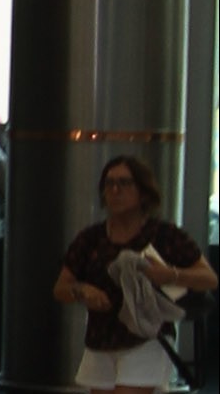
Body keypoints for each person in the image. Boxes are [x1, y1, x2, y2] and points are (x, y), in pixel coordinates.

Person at [54, 154, 217, 393]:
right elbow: (61, 288)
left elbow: (209, 279)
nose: (115, 190)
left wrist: (171, 275)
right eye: (109, 184)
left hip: (147, 336)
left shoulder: (164, 235)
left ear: (143, 192)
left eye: (124, 183)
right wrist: (81, 290)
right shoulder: (91, 238)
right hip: (101, 338)